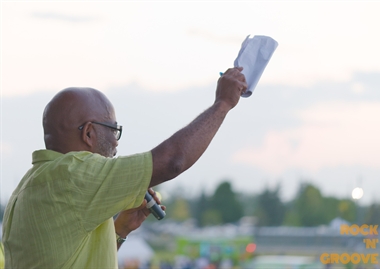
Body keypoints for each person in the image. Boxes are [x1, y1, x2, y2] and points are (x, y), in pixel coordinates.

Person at [2, 67, 247, 268]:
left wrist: (120, 229)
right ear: (89, 133)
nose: (117, 141)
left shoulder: (30, 185)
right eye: (113, 129)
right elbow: (174, 160)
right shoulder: (73, 175)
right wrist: (223, 103)